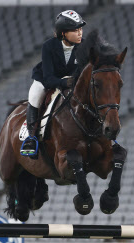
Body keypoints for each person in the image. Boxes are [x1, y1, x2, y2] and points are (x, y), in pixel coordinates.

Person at [20, 10, 86, 159]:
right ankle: (31, 137)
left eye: (80, 29)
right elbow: (49, 78)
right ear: (63, 33)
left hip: (73, 81)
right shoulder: (49, 46)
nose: (80, 33)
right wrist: (64, 81)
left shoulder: (84, 46)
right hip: (47, 79)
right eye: (75, 30)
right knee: (35, 94)